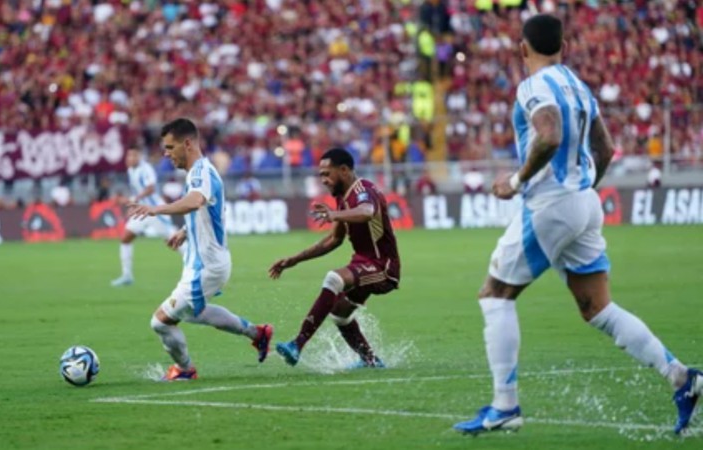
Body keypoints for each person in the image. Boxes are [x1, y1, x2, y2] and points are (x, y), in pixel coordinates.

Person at [453, 14, 701, 435]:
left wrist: (515, 182)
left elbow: (548, 135)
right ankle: (682, 377)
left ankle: (505, 406)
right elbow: (605, 148)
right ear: (564, 46)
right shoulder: (579, 86)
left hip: (551, 204)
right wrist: (581, 191)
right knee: (597, 308)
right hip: (585, 201)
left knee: (495, 294)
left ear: (522, 49)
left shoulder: (533, 85)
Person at [127, 118, 273, 381]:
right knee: (197, 314)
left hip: (205, 265)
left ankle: (185, 370)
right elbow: (210, 206)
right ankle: (258, 333)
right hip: (205, 261)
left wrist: (156, 208)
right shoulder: (201, 172)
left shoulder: (200, 172)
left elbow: (195, 201)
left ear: (187, 144)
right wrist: (185, 231)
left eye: (170, 147)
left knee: (160, 322)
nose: (166, 154)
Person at [269, 148, 401, 369]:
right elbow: (333, 240)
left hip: (383, 267)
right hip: (363, 263)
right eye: (321, 175)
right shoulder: (342, 199)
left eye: (327, 174)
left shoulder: (363, 190)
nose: (323, 180)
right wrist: (295, 259)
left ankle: (297, 344)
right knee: (339, 312)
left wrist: (334, 215)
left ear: (344, 170)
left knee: (334, 278)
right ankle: (370, 361)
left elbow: (367, 211)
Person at [111, 148, 175, 287]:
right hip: (141, 211)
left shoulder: (146, 169)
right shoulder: (130, 170)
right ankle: (127, 275)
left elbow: (151, 188)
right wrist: (134, 204)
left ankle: (198, 269)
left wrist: (135, 198)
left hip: (155, 211)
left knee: (174, 241)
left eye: (134, 155)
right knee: (125, 238)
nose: (130, 158)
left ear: (139, 156)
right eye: (129, 155)